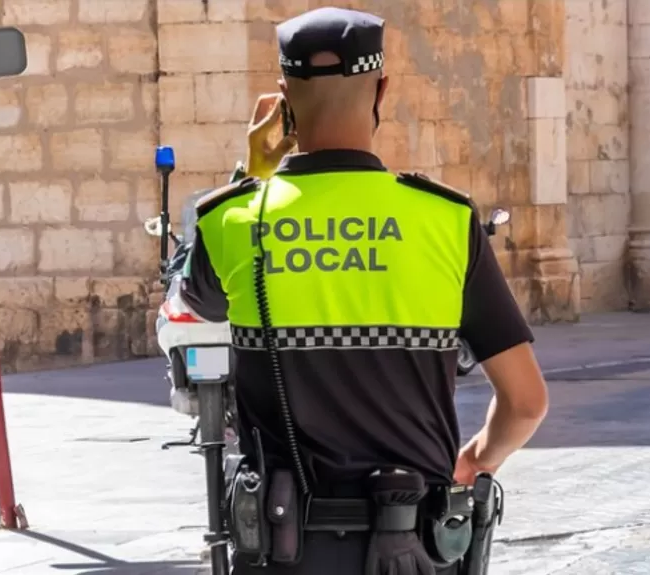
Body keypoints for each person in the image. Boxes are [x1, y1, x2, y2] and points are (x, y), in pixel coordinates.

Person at [182, 7, 549, 574]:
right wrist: (475, 460)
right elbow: (526, 403)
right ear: (382, 88)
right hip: (414, 550)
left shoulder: (230, 220)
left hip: (285, 551)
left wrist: (255, 174)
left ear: (283, 97)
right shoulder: (446, 221)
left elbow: (194, 306)